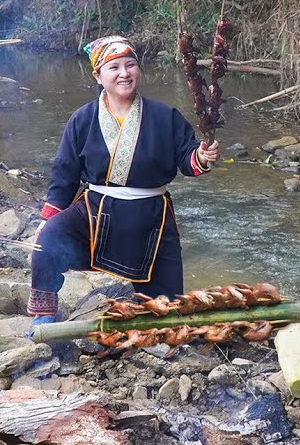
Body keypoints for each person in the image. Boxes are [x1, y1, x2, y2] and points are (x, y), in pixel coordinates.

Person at [27, 35, 220, 326]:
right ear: (98, 76)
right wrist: (47, 218)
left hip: (151, 214)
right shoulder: (82, 119)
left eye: (130, 65)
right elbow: (65, 175)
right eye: (114, 67)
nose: (124, 73)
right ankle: (44, 314)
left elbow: (187, 159)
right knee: (48, 241)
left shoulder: (165, 116)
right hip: (96, 209)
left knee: (166, 306)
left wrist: (202, 157)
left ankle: (154, 324)